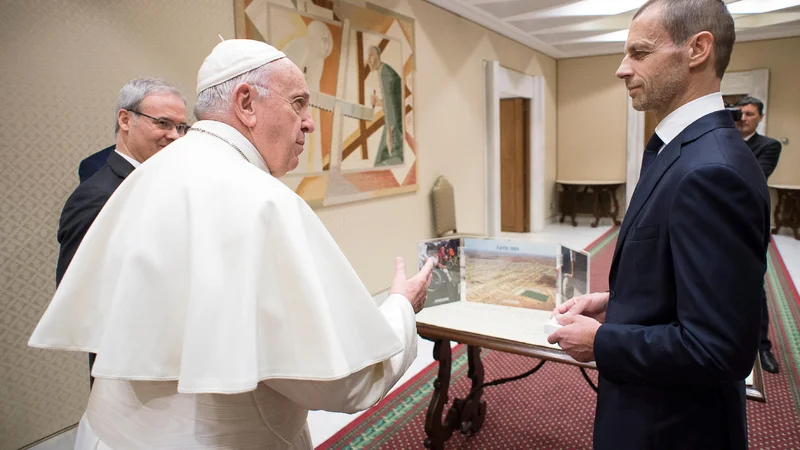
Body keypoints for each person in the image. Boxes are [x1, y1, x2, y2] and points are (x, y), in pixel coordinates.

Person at [30, 39, 434, 449]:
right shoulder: (262, 200)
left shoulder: (145, 177)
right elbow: (348, 384)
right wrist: (401, 305)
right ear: (246, 103)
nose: (310, 123)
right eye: (298, 103)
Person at [547, 1, 770, 449]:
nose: (621, 70)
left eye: (640, 52)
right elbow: (684, 282)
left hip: (674, 428)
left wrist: (605, 343)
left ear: (697, 49)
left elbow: (719, 348)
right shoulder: (684, 149)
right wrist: (619, 303)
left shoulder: (712, 170)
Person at [55, 77, 188, 387]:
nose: (175, 136)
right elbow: (78, 296)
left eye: (181, 127)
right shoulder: (98, 195)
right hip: (128, 371)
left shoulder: (167, 180)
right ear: (125, 119)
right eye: (163, 123)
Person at [735, 95, 782, 374]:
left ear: (760, 117)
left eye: (750, 114)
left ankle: (761, 347)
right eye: (739, 113)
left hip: (750, 222)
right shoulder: (720, 139)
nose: (744, 118)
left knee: (753, 284)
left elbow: (754, 177)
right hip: (715, 221)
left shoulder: (769, 146)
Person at [367, 45, 404, 167]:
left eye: (371, 56)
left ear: (377, 57)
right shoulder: (385, 71)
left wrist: (389, 132)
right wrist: (378, 102)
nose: (368, 60)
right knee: (380, 161)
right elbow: (391, 101)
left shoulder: (384, 73)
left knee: (384, 162)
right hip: (395, 122)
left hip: (395, 125)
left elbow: (390, 107)